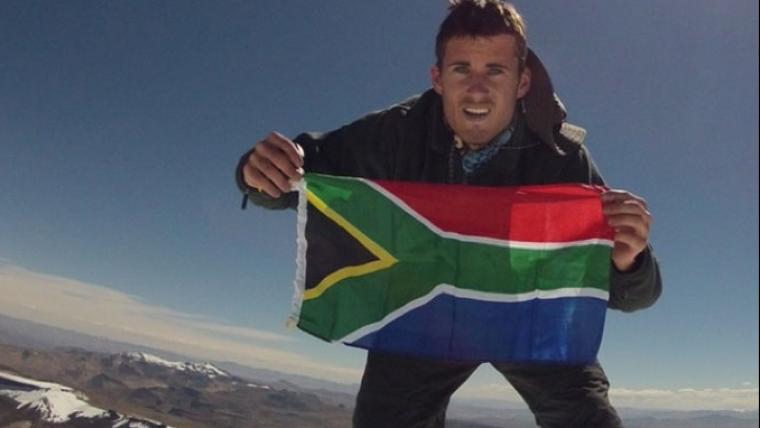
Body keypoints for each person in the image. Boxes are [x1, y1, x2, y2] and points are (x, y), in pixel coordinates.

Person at [236, 1, 662, 427]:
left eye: (495, 70)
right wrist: (259, 174)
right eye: (462, 69)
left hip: (526, 311)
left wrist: (630, 261)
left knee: (587, 420)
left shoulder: (561, 159)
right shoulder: (399, 134)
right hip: (429, 304)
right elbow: (307, 172)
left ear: (522, 81)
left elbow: (635, 292)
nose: (478, 89)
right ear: (438, 78)